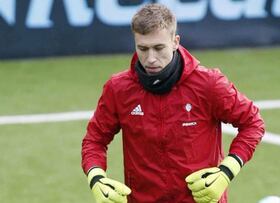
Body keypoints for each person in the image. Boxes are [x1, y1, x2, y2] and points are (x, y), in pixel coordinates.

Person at [81, 3, 265, 203]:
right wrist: (96, 177)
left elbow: (253, 122)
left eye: (159, 48)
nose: (150, 58)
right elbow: (95, 139)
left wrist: (227, 171)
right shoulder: (118, 89)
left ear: (175, 41)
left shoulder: (208, 84)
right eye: (142, 48)